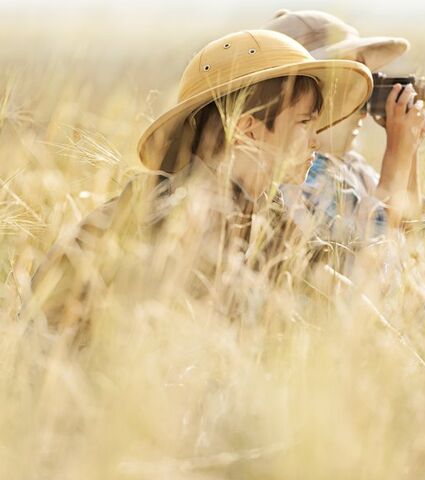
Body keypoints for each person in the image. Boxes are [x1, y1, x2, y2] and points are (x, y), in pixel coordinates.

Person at [26, 29, 373, 342]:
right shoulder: (166, 215)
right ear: (246, 129)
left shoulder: (267, 215)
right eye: (302, 123)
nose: (316, 140)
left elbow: (343, 297)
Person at [263, 10, 425, 245]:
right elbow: (369, 255)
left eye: (368, 84)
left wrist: (409, 145)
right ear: (302, 95)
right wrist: (397, 156)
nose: (362, 103)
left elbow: (413, 229)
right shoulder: (297, 177)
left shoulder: (349, 164)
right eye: (351, 85)